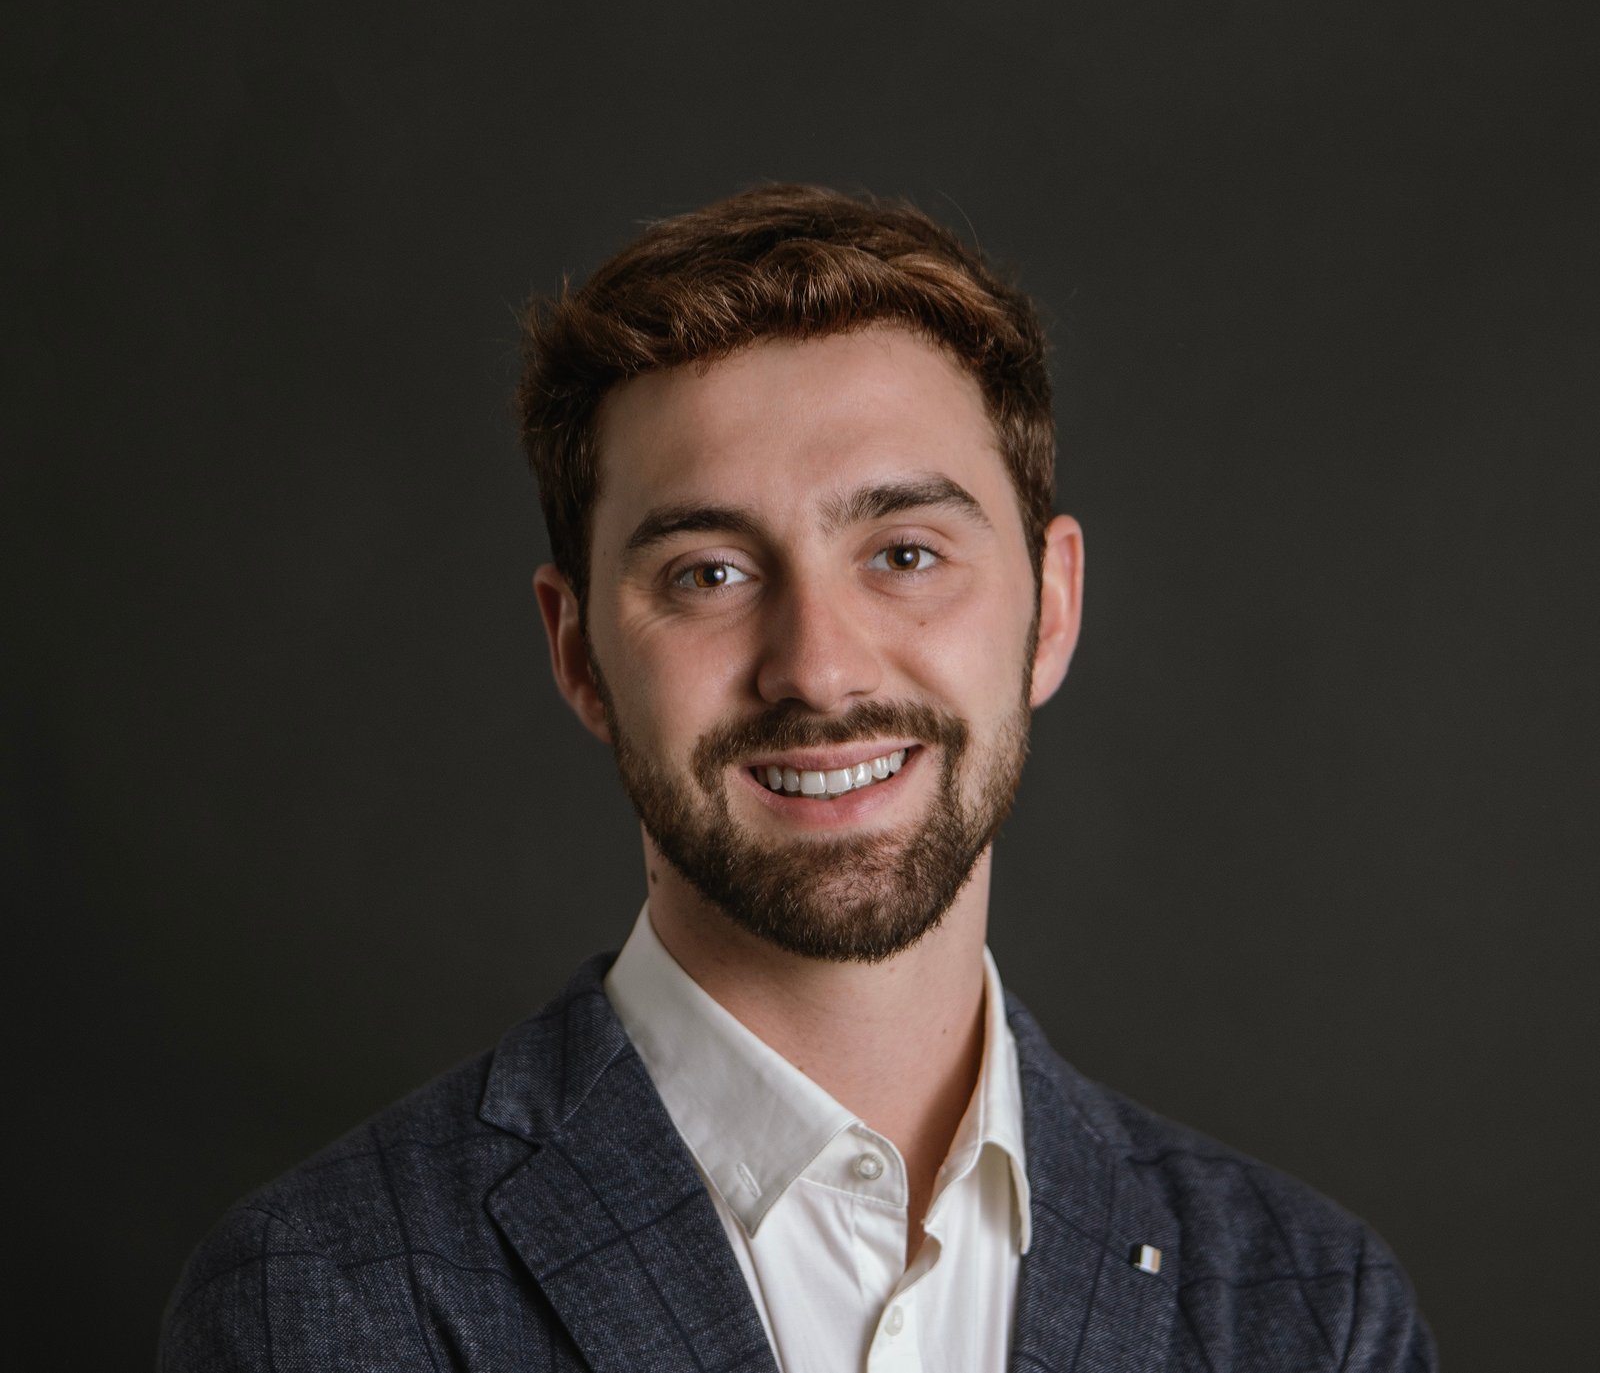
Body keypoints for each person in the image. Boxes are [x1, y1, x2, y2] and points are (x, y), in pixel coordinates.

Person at [160, 184, 1436, 1371]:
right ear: (579, 654)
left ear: (1051, 610)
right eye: (708, 573)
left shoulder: (1312, 1312)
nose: (818, 670)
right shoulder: (319, 1301)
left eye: (905, 553)